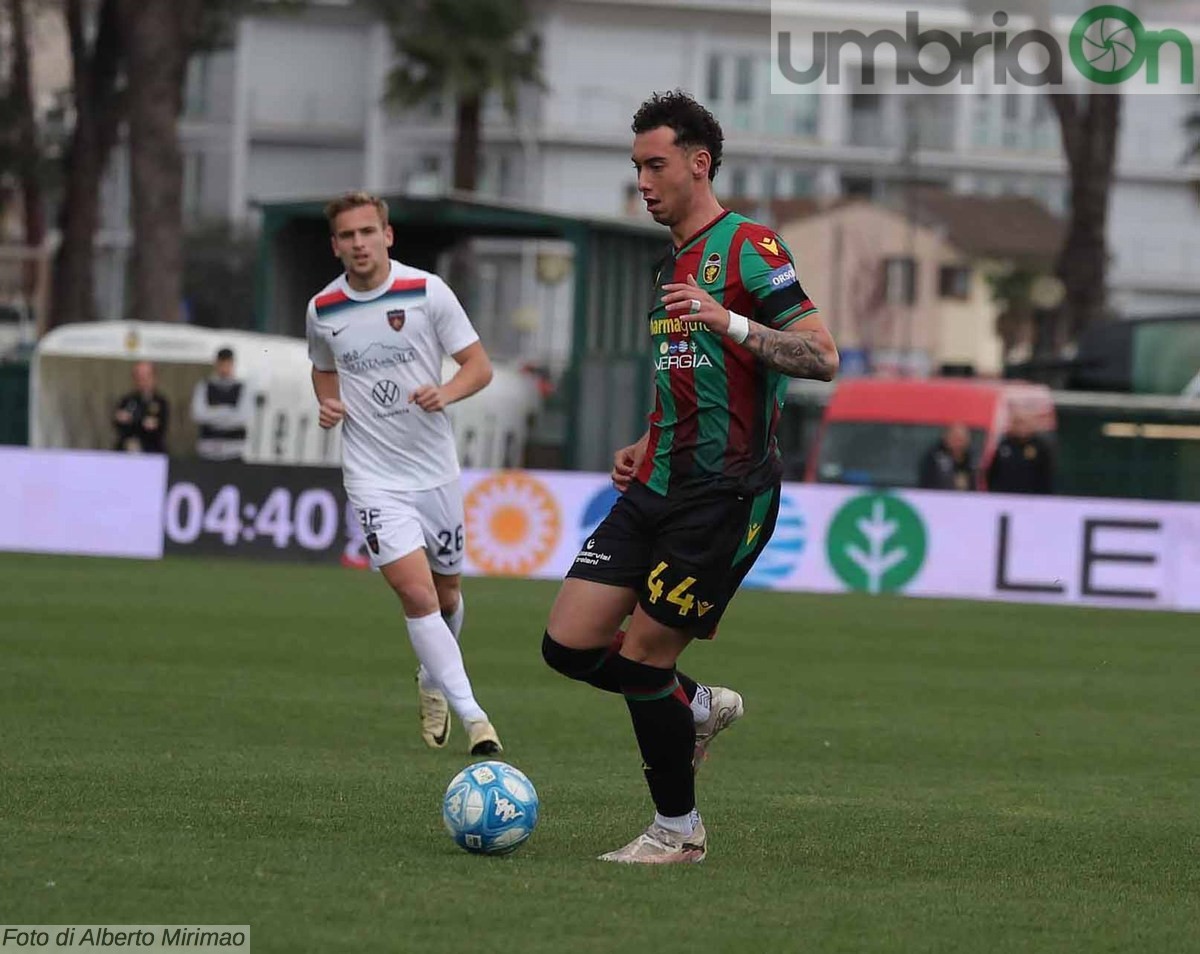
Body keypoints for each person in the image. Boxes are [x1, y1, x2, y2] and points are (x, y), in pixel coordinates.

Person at [539, 91, 839, 864]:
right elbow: (691, 372)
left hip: (725, 493)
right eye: (636, 166)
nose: (641, 179)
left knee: (642, 660)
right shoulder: (669, 260)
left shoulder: (750, 247)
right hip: (655, 485)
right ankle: (697, 706)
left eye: (655, 164)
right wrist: (645, 438)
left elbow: (822, 356)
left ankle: (678, 831)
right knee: (568, 646)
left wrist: (731, 319)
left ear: (699, 164)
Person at [306, 190, 502, 756]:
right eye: (348, 236)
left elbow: (479, 367)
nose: (359, 243)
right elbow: (322, 370)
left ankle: (431, 677)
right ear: (336, 245)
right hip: (371, 477)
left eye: (368, 232)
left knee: (446, 595)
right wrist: (327, 404)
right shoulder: (323, 309)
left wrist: (446, 392)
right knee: (415, 596)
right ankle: (475, 718)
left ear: (387, 236)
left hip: (434, 471)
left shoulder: (426, 292)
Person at [191, 347, 253, 461]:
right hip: (207, 450)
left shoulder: (242, 387)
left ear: (232, 365)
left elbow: (243, 417)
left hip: (234, 451)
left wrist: (214, 413)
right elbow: (198, 414)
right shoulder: (204, 385)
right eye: (221, 364)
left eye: (227, 364)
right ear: (216, 364)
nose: (224, 369)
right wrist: (228, 411)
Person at [987, 414, 1054, 494]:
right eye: (1017, 423)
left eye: (1023, 423)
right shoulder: (1004, 445)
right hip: (1004, 495)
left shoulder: (1039, 447)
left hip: (1032, 497)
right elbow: (992, 472)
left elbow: (1046, 475)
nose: (1020, 427)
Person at [112, 360, 169, 453]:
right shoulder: (127, 400)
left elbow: (156, 428)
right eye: (139, 377)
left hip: (151, 450)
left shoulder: (160, 402)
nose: (143, 381)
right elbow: (120, 425)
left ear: (154, 378)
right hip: (126, 449)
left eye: (147, 377)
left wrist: (133, 420)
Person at [918, 423, 975, 491]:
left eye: (961, 439)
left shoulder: (972, 460)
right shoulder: (933, 457)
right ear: (946, 438)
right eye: (955, 438)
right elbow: (926, 482)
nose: (958, 443)